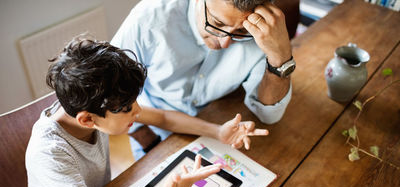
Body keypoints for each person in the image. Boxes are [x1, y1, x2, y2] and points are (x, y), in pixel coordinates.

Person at [25, 36, 268, 187]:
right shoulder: (49, 151)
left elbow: (162, 116)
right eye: (127, 108)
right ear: (87, 120)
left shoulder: (92, 101)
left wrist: (217, 131)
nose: (137, 111)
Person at [111, 0, 294, 159]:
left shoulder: (262, 33)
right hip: (152, 132)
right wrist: (150, 145)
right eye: (216, 23)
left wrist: (281, 57)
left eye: (240, 31)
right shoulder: (147, 20)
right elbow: (113, 96)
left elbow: (269, 115)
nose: (224, 43)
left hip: (220, 125)